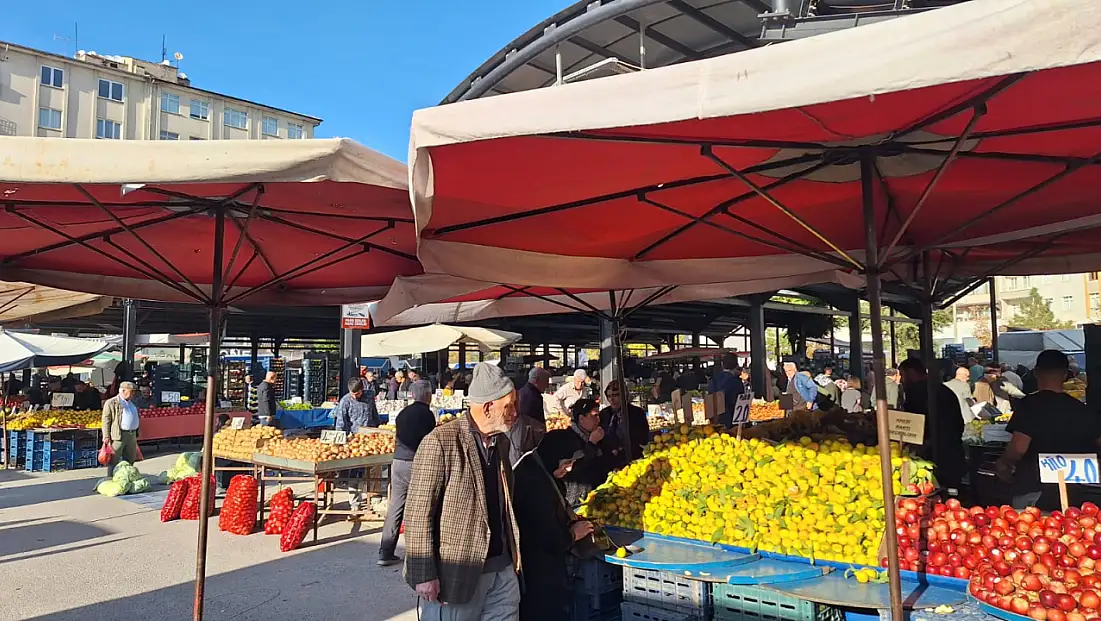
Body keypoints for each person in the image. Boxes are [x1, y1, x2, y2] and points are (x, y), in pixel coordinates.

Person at [404, 362, 521, 619]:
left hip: (502, 570)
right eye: (509, 406)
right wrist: (424, 574)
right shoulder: (441, 442)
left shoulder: (501, 442)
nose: (515, 412)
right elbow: (418, 513)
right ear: (488, 407)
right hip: (458, 573)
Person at [996, 350, 1101, 511]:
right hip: (1077, 492)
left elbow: (1018, 448)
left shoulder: (1029, 406)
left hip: (1035, 490)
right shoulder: (1081, 409)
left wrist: (1003, 465)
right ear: (1066, 375)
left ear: (1036, 373)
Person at [512, 430, 594, 621]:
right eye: (566, 463)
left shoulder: (537, 464)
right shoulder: (532, 482)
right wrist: (572, 534)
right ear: (553, 455)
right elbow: (543, 534)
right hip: (536, 567)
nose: (570, 469)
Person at [379, 380, 437, 566]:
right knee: (421, 507)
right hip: (416, 463)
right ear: (427, 395)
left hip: (398, 462)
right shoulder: (427, 415)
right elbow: (430, 441)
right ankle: (418, 554)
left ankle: (385, 552)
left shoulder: (403, 413)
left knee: (396, 506)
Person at [898, 358, 966, 490]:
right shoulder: (942, 389)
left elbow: (915, 422)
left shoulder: (917, 391)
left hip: (932, 455)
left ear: (911, 373)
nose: (901, 380)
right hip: (952, 451)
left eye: (903, 375)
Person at [564, 398, 607, 507]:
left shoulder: (596, 435)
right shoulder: (568, 439)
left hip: (596, 498)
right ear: (581, 419)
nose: (598, 420)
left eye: (599, 416)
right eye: (594, 416)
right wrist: (592, 444)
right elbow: (576, 469)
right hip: (577, 502)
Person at [599, 381, 648, 467]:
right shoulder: (604, 414)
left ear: (624, 395)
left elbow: (643, 437)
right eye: (609, 396)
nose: (611, 399)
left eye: (615, 395)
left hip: (632, 457)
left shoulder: (637, 413)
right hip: (609, 460)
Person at [102, 381, 140, 477]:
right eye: (131, 392)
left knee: (130, 458)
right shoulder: (111, 402)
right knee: (114, 458)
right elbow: (106, 420)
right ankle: (110, 477)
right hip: (119, 435)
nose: (133, 394)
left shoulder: (132, 402)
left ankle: (127, 477)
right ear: (123, 391)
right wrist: (106, 435)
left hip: (132, 434)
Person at [706, 354, 746, 427]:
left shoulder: (713, 380)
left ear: (722, 365)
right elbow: (739, 404)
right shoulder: (736, 382)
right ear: (736, 365)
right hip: (730, 422)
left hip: (714, 422)